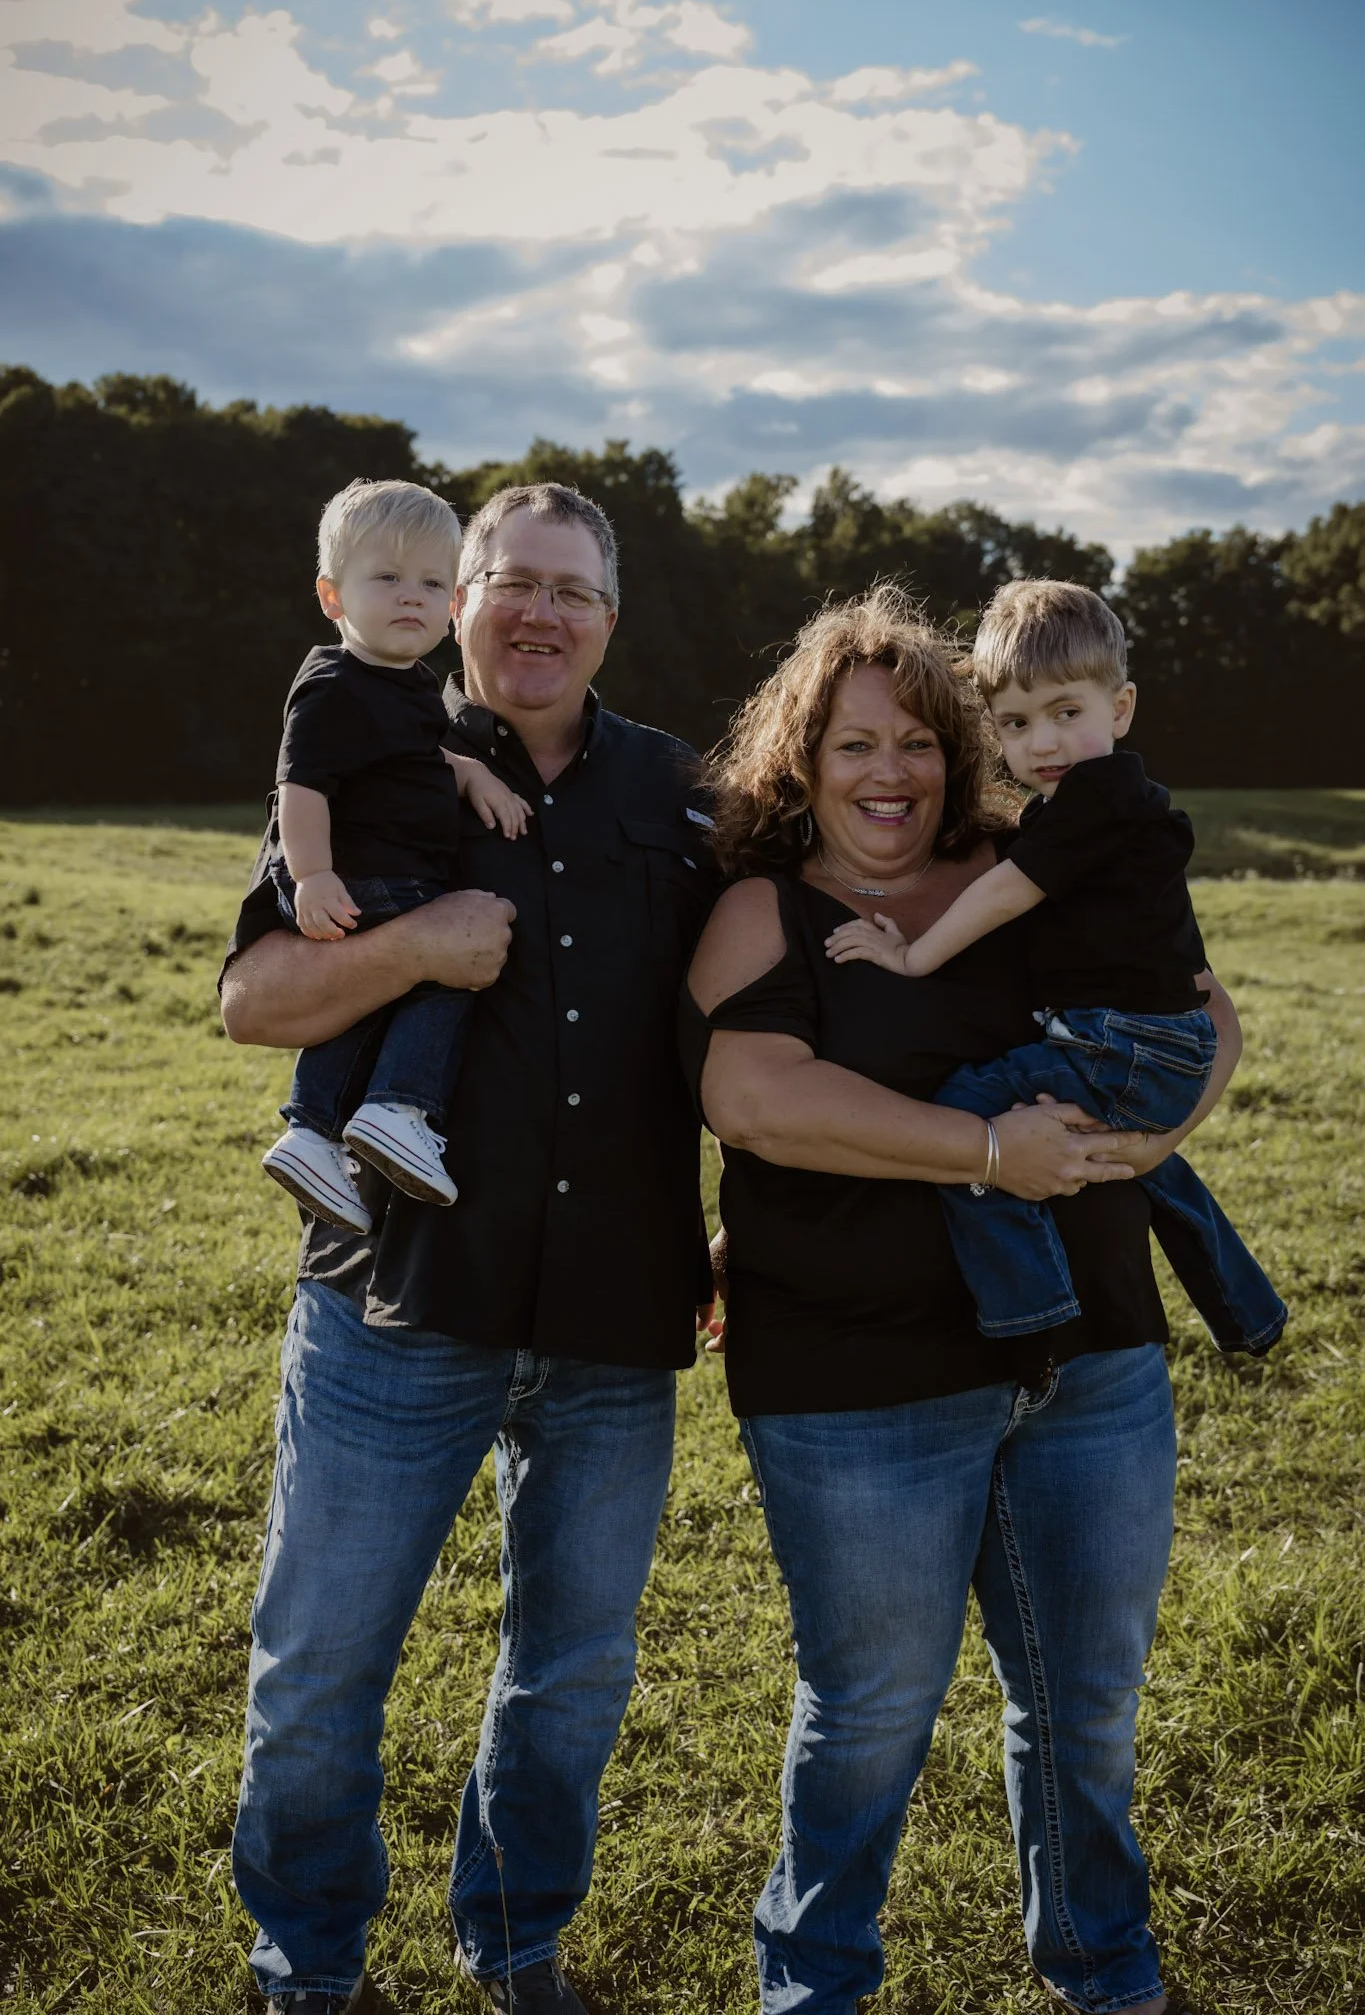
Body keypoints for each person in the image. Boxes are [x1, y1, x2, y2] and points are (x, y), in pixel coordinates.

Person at [683, 584, 1238, 2015]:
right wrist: (990, 1152)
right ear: (799, 762)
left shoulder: (1036, 863)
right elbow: (754, 1096)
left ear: (962, 749)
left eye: (918, 743)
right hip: (862, 1381)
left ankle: (1107, 1975)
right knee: (867, 1716)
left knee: (1086, 1713)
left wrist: (1154, 1134)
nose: (890, 775)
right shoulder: (762, 907)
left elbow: (1199, 1006)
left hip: (1091, 1356)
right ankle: (815, 1987)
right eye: (854, 745)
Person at [220, 481, 719, 2015]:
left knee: (569, 1682)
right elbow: (254, 1004)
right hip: (396, 1306)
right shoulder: (376, 743)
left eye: (573, 590)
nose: (539, 614)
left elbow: (759, 1024)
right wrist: (413, 949)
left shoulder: (682, 796)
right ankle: (308, 1969)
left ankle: (519, 1946)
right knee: (319, 1671)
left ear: (610, 620)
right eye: (511, 583)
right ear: (457, 598)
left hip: (614, 1324)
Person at [824, 577, 1286, 1355]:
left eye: (1065, 714)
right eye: (1015, 722)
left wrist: (910, 955)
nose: (1041, 744)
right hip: (1154, 1044)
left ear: (1121, 709)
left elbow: (1006, 893)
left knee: (970, 1113)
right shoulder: (1107, 811)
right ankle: (1248, 1311)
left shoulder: (1096, 798)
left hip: (1123, 1042)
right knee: (1140, 1167)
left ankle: (1027, 1310)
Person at [261, 478, 531, 1231]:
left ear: (452, 603)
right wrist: (312, 873)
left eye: (431, 583)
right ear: (332, 596)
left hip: (388, 873)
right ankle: (397, 1109)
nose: (410, 597)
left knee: (375, 999)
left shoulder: (407, 687)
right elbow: (301, 786)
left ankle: (312, 1131)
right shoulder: (331, 684)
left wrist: (470, 771)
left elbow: (413, 757)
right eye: (385, 578)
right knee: (448, 972)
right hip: (360, 875)